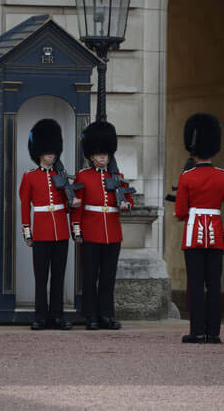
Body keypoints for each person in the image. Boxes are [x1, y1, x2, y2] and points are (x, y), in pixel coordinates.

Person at [174, 113, 224, 344]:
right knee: (214, 284)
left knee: (195, 285)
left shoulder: (187, 177)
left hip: (193, 237)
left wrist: (181, 214)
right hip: (216, 237)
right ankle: (214, 333)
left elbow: (181, 211)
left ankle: (197, 332)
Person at [71, 121, 134, 330]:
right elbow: (77, 207)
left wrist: (126, 204)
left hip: (112, 233)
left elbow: (128, 200)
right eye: (99, 154)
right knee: (90, 278)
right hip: (90, 233)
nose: (102, 157)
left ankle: (106, 315)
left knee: (108, 278)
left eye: (105, 154)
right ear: (91, 156)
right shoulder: (83, 176)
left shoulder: (118, 177)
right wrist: (77, 231)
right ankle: (91, 316)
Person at [19, 118, 80, 331]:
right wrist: (27, 233)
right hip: (42, 233)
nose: (51, 155)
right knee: (41, 277)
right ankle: (40, 316)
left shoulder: (62, 177)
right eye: (47, 152)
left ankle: (57, 316)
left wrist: (72, 204)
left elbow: (67, 205)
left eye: (53, 152)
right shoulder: (30, 177)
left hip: (61, 232)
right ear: (39, 153)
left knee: (58, 277)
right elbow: (25, 206)